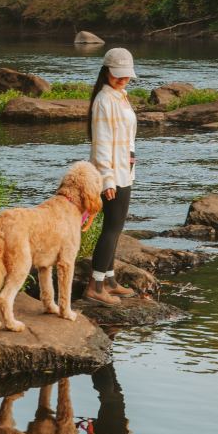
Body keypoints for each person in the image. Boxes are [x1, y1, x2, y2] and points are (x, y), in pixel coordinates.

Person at [84, 47, 138, 306]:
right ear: (106, 71)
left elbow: (127, 139)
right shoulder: (104, 101)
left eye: (126, 75)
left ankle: (110, 280)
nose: (123, 79)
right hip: (112, 174)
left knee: (117, 229)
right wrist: (106, 178)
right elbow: (101, 143)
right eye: (118, 75)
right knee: (111, 228)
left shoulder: (120, 96)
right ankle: (95, 286)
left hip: (124, 171)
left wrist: (129, 167)